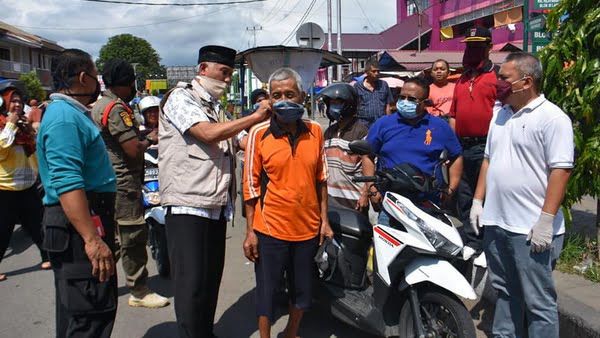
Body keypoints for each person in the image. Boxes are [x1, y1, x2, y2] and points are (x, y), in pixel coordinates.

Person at [159, 45, 269, 338]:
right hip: (187, 204)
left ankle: (204, 333)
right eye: (223, 72)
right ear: (203, 69)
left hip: (215, 205)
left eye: (230, 74)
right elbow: (206, 133)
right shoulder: (180, 98)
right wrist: (255, 116)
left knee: (209, 282)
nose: (226, 79)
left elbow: (244, 140)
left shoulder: (218, 108)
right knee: (191, 286)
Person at [470, 52, 573, 338]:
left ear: (526, 81)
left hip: (529, 229)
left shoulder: (552, 118)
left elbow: (560, 170)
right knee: (505, 292)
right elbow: (488, 160)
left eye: (504, 77)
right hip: (497, 223)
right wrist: (478, 202)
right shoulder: (499, 114)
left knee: (538, 301)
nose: (497, 82)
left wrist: (545, 221)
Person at [243, 67, 334, 338]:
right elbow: (250, 186)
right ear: (269, 99)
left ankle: (291, 333)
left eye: (290, 94)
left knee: (302, 289)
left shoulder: (316, 131)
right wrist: (250, 231)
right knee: (268, 292)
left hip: (307, 228)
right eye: (277, 94)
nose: (283, 99)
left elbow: (322, 179)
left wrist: (325, 221)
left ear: (303, 97)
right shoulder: (258, 134)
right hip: (270, 228)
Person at [37, 48, 118, 337]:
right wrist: (92, 239)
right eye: (96, 77)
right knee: (90, 313)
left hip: (83, 220)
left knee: (79, 313)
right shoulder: (64, 118)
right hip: (78, 226)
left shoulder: (69, 113)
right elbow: (68, 181)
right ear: (84, 77)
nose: (98, 83)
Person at [91, 60, 168, 309]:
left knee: (113, 237)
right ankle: (139, 290)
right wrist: (151, 139)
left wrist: (142, 136)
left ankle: (101, 287)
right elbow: (133, 150)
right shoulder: (116, 108)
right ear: (125, 84)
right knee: (132, 234)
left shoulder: (100, 104)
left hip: (108, 179)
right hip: (125, 181)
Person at [366, 77, 463, 220]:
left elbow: (456, 156)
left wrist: (451, 190)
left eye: (411, 99)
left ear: (425, 103)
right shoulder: (383, 124)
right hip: (391, 202)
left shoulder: (440, 127)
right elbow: (368, 155)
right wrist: (372, 189)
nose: (405, 101)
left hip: (427, 204)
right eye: (401, 97)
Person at [448, 27, 498, 261]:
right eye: (469, 45)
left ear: (489, 47)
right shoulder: (461, 78)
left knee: (486, 197)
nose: (472, 50)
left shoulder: (497, 77)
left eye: (478, 45)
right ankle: (472, 241)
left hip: (487, 146)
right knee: (465, 196)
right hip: (462, 146)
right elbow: (454, 115)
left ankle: (488, 244)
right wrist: (452, 143)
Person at [0, 80, 50, 282]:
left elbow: (34, 152)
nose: (18, 105)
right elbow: (2, 150)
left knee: (37, 224)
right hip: (5, 187)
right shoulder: (5, 125)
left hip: (28, 185)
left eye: (19, 101)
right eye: (13, 102)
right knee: (3, 230)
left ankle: (47, 257)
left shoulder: (22, 126)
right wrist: (11, 123)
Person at [320, 83, 373, 213]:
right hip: (330, 199)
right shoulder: (329, 132)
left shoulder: (361, 132)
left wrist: (365, 194)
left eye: (337, 103)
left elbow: (370, 164)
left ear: (349, 105)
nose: (333, 107)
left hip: (354, 199)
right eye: (331, 103)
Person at [354, 60, 395, 128]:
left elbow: (388, 105)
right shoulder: (358, 86)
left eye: (378, 71)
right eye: (373, 71)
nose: (376, 73)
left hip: (381, 123)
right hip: (363, 124)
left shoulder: (383, 85)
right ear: (366, 72)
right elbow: (354, 105)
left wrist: (389, 122)